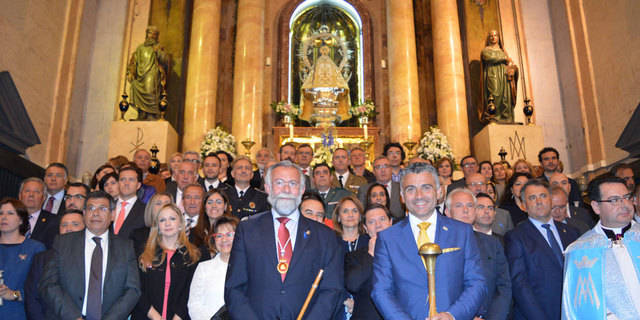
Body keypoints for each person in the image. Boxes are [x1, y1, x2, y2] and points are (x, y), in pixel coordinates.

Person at [225, 160, 344, 319]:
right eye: (279, 183)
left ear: (302, 190)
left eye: (293, 183)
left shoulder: (324, 236)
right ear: (268, 188)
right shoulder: (247, 230)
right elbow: (234, 288)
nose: (286, 189)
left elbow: (332, 289)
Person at [371, 162, 487, 319]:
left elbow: (476, 282)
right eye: (411, 189)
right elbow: (381, 291)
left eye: (426, 187)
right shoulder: (387, 238)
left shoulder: (461, 232)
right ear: (402, 197)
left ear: (439, 192)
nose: (419, 196)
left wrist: (452, 315)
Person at [40, 191, 141, 320]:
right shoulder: (63, 242)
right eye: (91, 208)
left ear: (112, 214)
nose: (96, 213)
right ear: (84, 213)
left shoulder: (125, 248)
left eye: (103, 209)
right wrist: (73, 316)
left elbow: (133, 290)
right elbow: (49, 284)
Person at [563, 176, 640, 318]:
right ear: (596, 207)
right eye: (614, 200)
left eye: (627, 197)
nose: (624, 204)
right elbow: (577, 309)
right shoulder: (580, 251)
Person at [504, 179, 580, 319]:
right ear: (523, 205)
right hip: (540, 313)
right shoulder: (515, 237)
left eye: (543, 196)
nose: (539, 201)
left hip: (575, 310)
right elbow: (520, 284)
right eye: (532, 198)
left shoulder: (571, 232)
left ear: (551, 200)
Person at [444, 189, 512, 320]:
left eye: (470, 206)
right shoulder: (438, 245)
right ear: (447, 212)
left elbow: (503, 287)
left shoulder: (492, 243)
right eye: (459, 205)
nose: (465, 210)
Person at [133, 203, 201, 320]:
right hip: (146, 316)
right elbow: (137, 289)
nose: (167, 223)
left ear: (180, 224)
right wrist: (156, 317)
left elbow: (190, 292)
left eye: (172, 219)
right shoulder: (144, 255)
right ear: (158, 226)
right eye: (162, 220)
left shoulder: (193, 256)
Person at [24, 209, 85, 320]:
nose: (69, 229)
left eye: (75, 224)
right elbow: (32, 297)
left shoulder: (94, 256)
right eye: (64, 225)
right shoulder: (42, 258)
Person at [0, 198, 46, 319]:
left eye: (10, 213)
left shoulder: (35, 248)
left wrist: (14, 294)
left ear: (21, 219)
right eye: (0, 213)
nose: (3, 217)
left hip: (19, 313)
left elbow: (42, 288)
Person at [345, 204, 392, 320]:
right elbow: (352, 285)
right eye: (371, 222)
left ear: (391, 222)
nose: (378, 225)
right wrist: (371, 254)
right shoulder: (355, 257)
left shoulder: (405, 251)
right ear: (365, 228)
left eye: (382, 219)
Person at [189, 216, 239, 320]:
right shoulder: (203, 268)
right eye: (219, 236)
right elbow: (194, 305)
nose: (224, 239)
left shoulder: (249, 268)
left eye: (229, 234)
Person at [127, 26, 168, 120]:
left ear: (157, 36)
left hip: (152, 74)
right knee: (135, 86)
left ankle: (151, 115)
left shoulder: (158, 47)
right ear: (147, 34)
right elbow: (134, 61)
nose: (152, 36)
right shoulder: (140, 48)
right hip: (141, 75)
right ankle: (141, 114)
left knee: (150, 92)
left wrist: (159, 52)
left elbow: (165, 61)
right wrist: (131, 72)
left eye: (154, 34)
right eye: (150, 33)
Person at [481, 29, 518, 123]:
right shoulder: (486, 50)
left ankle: (506, 117)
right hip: (492, 74)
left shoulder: (503, 51)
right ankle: (494, 116)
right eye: (491, 36)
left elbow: (510, 63)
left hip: (504, 75)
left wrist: (512, 70)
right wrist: (504, 58)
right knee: (495, 93)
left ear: (498, 38)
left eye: (495, 35)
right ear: (488, 38)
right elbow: (489, 58)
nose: (493, 37)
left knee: (505, 96)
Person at [18, 177, 59, 249]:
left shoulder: (54, 221)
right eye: (27, 191)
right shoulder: (8, 217)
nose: (31, 195)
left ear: (44, 197)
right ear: (20, 196)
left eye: (36, 192)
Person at [129, 192, 173, 258]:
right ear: (151, 208)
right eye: (158, 203)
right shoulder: (137, 235)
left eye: (167, 203)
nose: (163, 206)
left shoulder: (179, 234)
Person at [113, 167, 146, 239]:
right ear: (118, 183)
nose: (126, 183)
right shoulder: (108, 206)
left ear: (138, 185)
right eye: (122, 179)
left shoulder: (146, 211)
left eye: (131, 180)